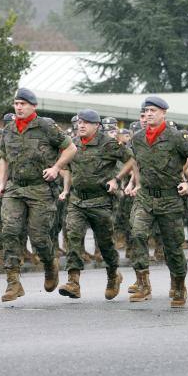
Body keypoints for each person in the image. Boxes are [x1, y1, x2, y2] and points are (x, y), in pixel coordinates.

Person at [0, 88, 77, 302]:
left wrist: (56, 168)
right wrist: (2, 182)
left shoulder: (46, 126)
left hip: (41, 188)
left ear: (33, 106)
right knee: (10, 231)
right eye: (16, 103)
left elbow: (71, 149)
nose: (19, 107)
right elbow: (3, 156)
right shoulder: (9, 129)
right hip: (15, 188)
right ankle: (13, 282)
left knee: (39, 237)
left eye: (23, 104)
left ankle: (50, 264)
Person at [125, 98, 188, 307]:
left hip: (170, 198)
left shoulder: (175, 137)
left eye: (153, 110)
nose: (149, 114)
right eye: (146, 111)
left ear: (163, 113)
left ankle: (178, 285)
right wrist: (136, 182)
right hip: (146, 197)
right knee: (138, 234)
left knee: (173, 247)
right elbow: (135, 162)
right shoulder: (138, 138)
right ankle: (143, 285)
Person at [57, 109, 135, 300]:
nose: (81, 125)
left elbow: (131, 159)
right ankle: (73, 281)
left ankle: (113, 275)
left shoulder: (108, 143)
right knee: (73, 236)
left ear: (96, 126)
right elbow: (66, 168)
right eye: (80, 122)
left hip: (101, 201)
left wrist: (117, 178)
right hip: (77, 200)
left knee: (105, 243)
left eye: (86, 123)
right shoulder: (73, 144)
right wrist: (66, 189)